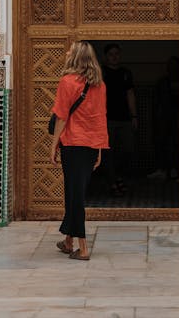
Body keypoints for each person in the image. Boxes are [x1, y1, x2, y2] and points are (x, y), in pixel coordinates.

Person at [50, 40, 108, 261]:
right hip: (91, 145)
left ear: (76, 57)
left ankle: (83, 248)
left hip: (73, 145)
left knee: (75, 196)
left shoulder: (67, 82)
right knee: (74, 192)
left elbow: (62, 117)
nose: (66, 52)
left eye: (70, 51)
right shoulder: (100, 85)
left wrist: (54, 144)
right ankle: (68, 241)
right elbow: (100, 118)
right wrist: (100, 148)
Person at [101, 42, 138, 195]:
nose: (114, 57)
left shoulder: (126, 72)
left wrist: (134, 115)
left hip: (124, 119)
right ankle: (113, 182)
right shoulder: (100, 73)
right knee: (109, 152)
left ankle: (119, 177)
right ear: (106, 56)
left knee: (128, 150)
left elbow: (130, 94)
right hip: (107, 119)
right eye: (111, 54)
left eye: (117, 54)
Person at [148, 55, 179, 180]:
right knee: (162, 143)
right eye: (170, 66)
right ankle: (162, 169)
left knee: (177, 144)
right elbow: (156, 102)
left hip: (178, 119)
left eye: (175, 66)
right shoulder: (162, 83)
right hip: (163, 118)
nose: (172, 68)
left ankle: (175, 170)